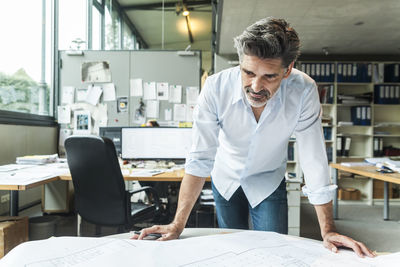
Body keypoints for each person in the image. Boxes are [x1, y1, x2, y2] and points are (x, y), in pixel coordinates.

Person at [133, 17, 375, 258]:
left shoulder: (303, 91)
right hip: (225, 177)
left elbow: (314, 159)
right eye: (248, 73)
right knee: (235, 251)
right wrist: (177, 224)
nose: (256, 87)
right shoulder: (216, 88)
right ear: (240, 62)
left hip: (268, 179)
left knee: (273, 252)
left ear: (288, 69)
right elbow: (200, 158)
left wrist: (328, 230)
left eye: (269, 76)